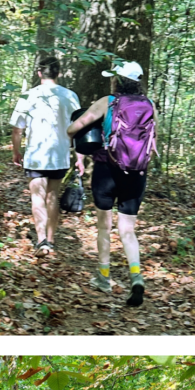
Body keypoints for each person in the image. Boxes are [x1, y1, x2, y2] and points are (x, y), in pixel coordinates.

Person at [67, 61, 156, 307]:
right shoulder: (149, 105)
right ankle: (136, 276)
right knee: (128, 230)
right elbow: (153, 138)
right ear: (139, 82)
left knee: (104, 228)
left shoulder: (108, 102)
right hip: (137, 173)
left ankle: (104, 277)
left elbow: (74, 128)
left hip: (106, 171)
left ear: (117, 80)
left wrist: (75, 134)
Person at [10, 57, 85, 257]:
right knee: (52, 196)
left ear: (39, 73)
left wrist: (16, 151)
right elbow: (78, 129)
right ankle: (51, 240)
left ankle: (41, 240)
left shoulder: (28, 96)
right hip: (59, 155)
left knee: (37, 196)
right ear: (58, 73)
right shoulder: (70, 96)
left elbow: (17, 129)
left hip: (35, 154)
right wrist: (79, 157)